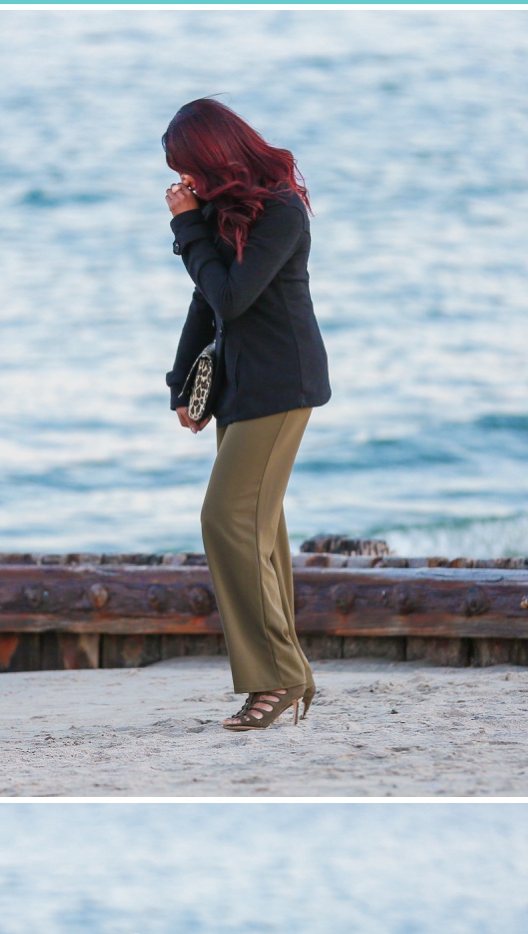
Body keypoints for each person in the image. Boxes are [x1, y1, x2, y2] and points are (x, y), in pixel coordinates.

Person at [164, 99, 331, 732]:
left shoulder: (282, 210)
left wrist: (187, 228)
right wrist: (182, 384)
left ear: (214, 158)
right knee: (259, 530)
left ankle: (280, 675)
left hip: (282, 384)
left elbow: (233, 298)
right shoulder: (222, 209)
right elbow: (204, 304)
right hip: (239, 387)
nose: (184, 184)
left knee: (226, 520)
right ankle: (284, 675)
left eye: (189, 170)